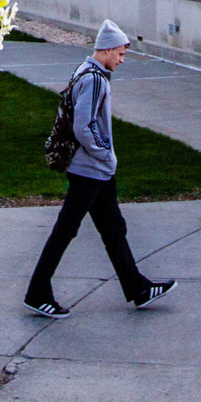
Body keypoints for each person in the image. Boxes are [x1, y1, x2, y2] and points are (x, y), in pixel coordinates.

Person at [24, 21, 175, 317]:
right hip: (89, 170)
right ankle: (37, 293)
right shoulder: (94, 79)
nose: (122, 60)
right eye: (120, 54)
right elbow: (84, 126)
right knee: (65, 231)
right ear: (106, 50)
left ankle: (138, 289)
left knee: (113, 230)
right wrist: (105, 153)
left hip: (96, 171)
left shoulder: (85, 71)